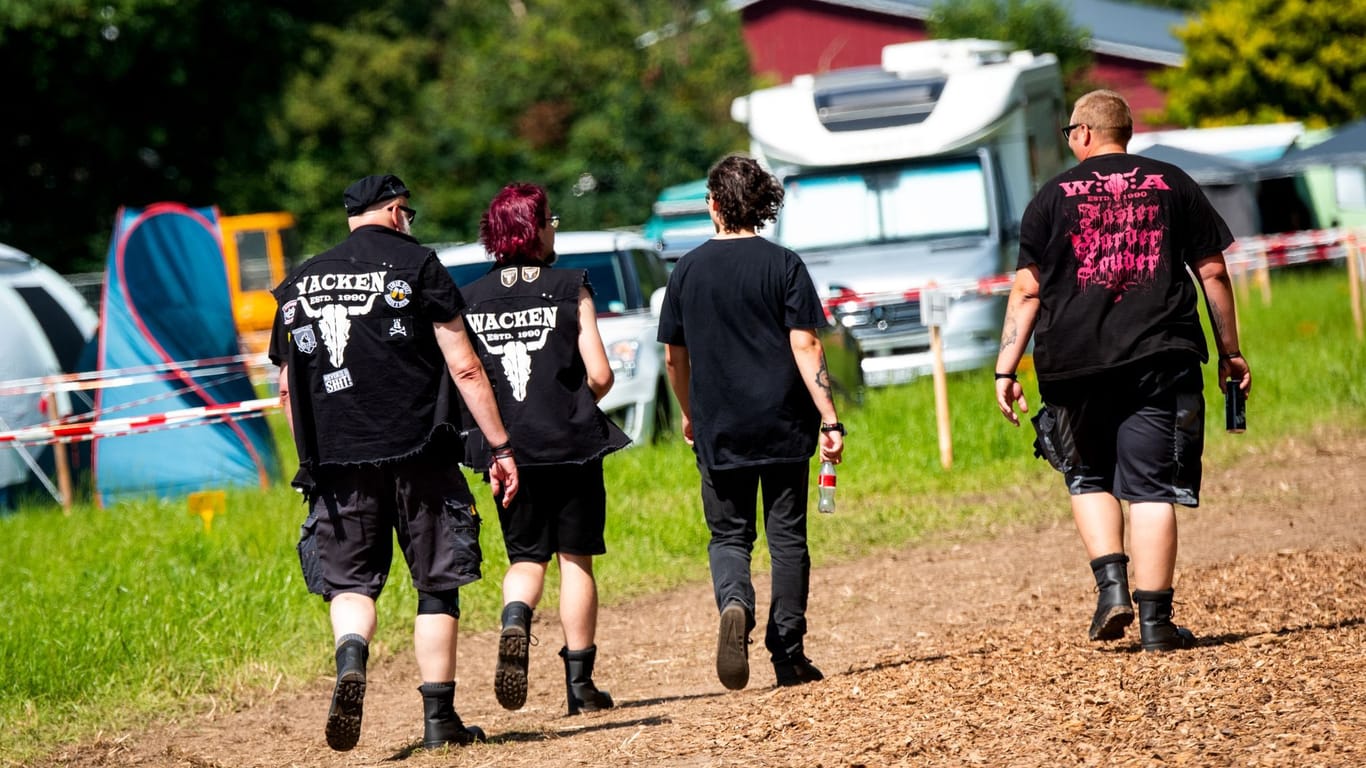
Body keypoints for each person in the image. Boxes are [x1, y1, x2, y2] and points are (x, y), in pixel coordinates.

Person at [992, 90, 1252, 652]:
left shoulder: (1050, 197)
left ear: (1083, 133)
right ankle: (1156, 623)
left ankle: (1111, 588)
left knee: (1087, 477)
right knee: (1153, 489)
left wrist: (1004, 368)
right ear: (1124, 132)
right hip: (1160, 355)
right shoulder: (1172, 182)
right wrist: (1230, 349)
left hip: (1071, 362)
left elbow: (1027, 289)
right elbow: (1213, 272)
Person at [268, 173, 519, 752]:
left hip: (336, 461)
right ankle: (439, 720)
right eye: (409, 212)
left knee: (352, 583)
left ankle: (352, 657)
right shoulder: (419, 265)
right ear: (396, 211)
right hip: (422, 452)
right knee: (437, 581)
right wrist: (500, 446)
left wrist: (314, 453)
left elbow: (286, 390)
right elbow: (466, 367)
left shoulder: (299, 281)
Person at [657, 153, 845, 690]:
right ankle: (788, 655)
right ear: (761, 205)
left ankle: (735, 602)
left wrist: (691, 413)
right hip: (784, 422)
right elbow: (806, 343)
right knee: (787, 539)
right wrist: (829, 419)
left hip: (720, 427)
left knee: (728, 537)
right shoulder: (784, 264)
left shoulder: (687, 270)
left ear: (714, 205)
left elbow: (675, 357)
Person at [457, 182, 631, 715]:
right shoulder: (569, 285)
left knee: (525, 558)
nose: (556, 228)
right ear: (534, 230)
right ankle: (580, 688)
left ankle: (515, 618)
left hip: (507, 450)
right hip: (571, 442)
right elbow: (599, 374)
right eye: (551, 221)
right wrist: (576, 399)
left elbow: (467, 377)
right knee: (576, 560)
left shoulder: (471, 298)